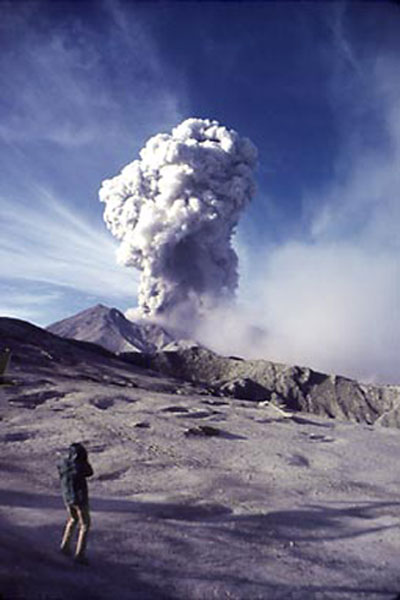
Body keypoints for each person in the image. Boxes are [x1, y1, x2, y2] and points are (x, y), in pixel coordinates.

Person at [57, 442, 93, 564]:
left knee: (72, 519)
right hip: (80, 498)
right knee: (85, 525)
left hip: (67, 497)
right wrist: (85, 460)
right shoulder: (80, 467)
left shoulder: (62, 463)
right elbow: (90, 472)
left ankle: (65, 546)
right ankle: (80, 554)